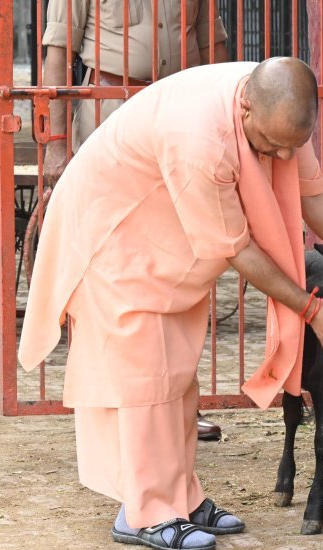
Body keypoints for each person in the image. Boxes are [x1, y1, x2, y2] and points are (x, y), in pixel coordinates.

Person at [19, 57, 323, 550]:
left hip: (167, 239)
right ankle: (145, 512)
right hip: (113, 232)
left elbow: (317, 198)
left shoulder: (280, 110)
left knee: (177, 374)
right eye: (274, 144)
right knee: (145, 378)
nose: (285, 155)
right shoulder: (200, 138)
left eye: (294, 144)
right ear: (246, 106)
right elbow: (238, 248)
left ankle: (181, 496)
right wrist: (311, 309)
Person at [42, 0, 228, 440]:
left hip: (182, 116)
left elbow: (214, 48)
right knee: (112, 262)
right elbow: (57, 55)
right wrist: (54, 142)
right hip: (110, 111)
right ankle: (111, 401)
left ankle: (180, 403)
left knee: (182, 265)